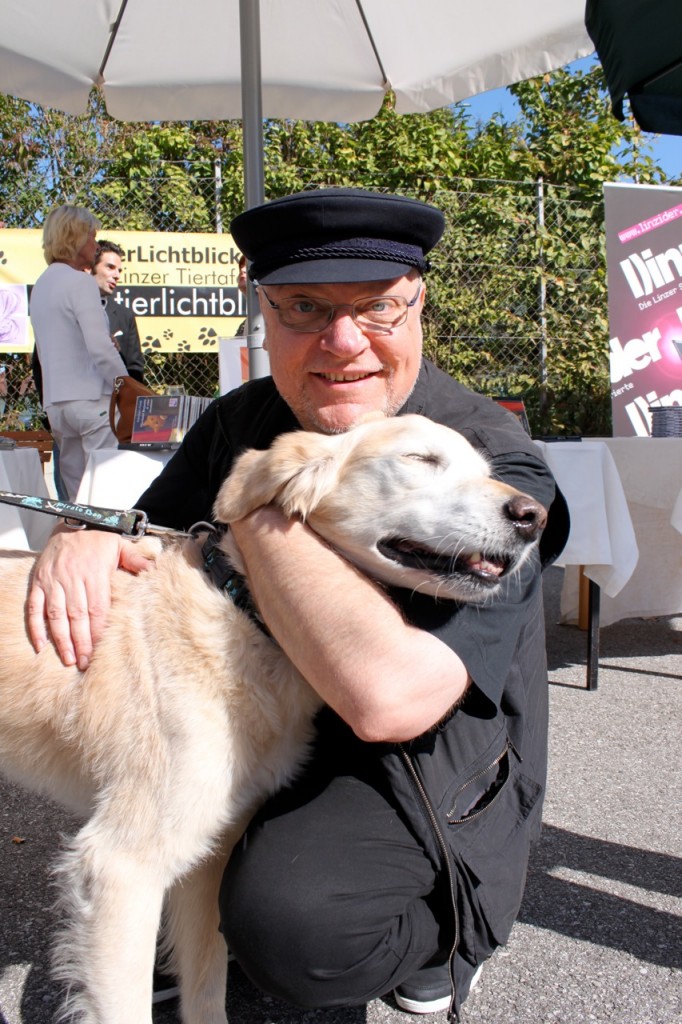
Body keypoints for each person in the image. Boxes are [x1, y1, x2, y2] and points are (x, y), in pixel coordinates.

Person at [27, 188, 568, 1017]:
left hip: (420, 771)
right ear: (265, 313)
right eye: (305, 308)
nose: (343, 342)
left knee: (293, 921)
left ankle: (440, 935)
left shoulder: (493, 464)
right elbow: (159, 530)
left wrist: (273, 496)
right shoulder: (252, 412)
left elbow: (389, 699)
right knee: (193, 828)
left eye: (379, 308)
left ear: (419, 305)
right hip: (278, 702)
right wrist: (82, 528)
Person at [29, 206, 128, 501]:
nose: (95, 245)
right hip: (90, 401)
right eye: (91, 237)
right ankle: (107, 542)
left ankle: (77, 538)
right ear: (74, 238)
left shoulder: (42, 285)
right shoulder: (81, 282)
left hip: (57, 403)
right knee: (104, 486)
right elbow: (100, 347)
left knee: (74, 493)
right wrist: (126, 386)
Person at [91, 239, 146, 383]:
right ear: (91, 267)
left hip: (115, 401)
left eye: (119, 270)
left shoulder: (124, 315)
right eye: (110, 267)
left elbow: (135, 369)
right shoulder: (68, 306)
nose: (117, 275)